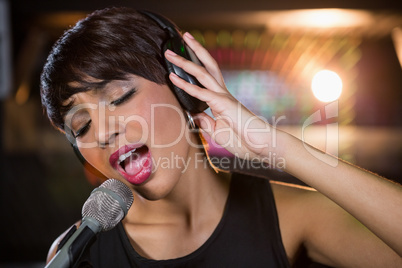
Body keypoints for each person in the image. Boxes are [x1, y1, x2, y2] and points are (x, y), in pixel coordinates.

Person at [41, 6, 402, 267]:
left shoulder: (291, 216)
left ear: (184, 85)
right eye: (82, 127)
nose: (103, 132)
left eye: (119, 97)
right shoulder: (77, 253)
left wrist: (274, 145)